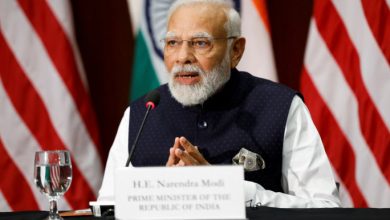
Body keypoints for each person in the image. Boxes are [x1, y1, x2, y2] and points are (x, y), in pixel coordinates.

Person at [98, 0, 340, 208]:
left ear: (236, 50)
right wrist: (164, 190)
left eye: (201, 43)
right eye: (173, 43)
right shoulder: (142, 113)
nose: (183, 57)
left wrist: (231, 190)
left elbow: (324, 207)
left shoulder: (281, 107)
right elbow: (108, 207)